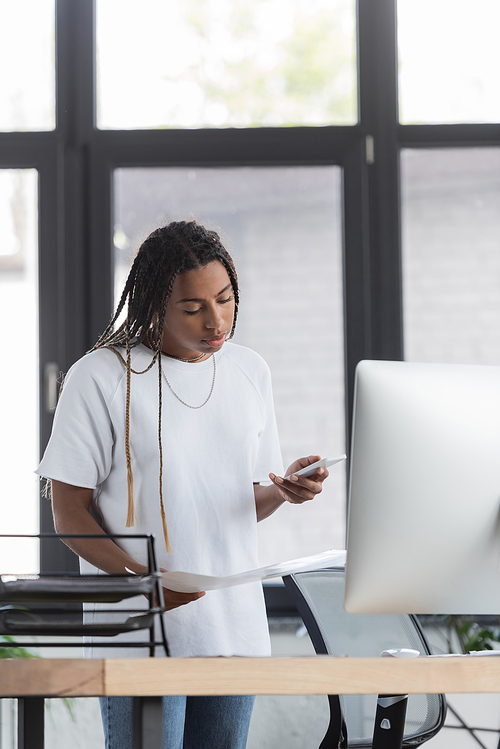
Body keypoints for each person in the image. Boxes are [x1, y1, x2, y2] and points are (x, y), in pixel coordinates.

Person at [36, 220, 330, 749]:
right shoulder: (101, 377)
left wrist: (286, 491)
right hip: (140, 630)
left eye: (225, 299)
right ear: (152, 306)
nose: (216, 321)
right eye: (193, 309)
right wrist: (146, 584)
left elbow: (241, 500)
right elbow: (69, 515)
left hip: (233, 628)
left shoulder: (249, 371)